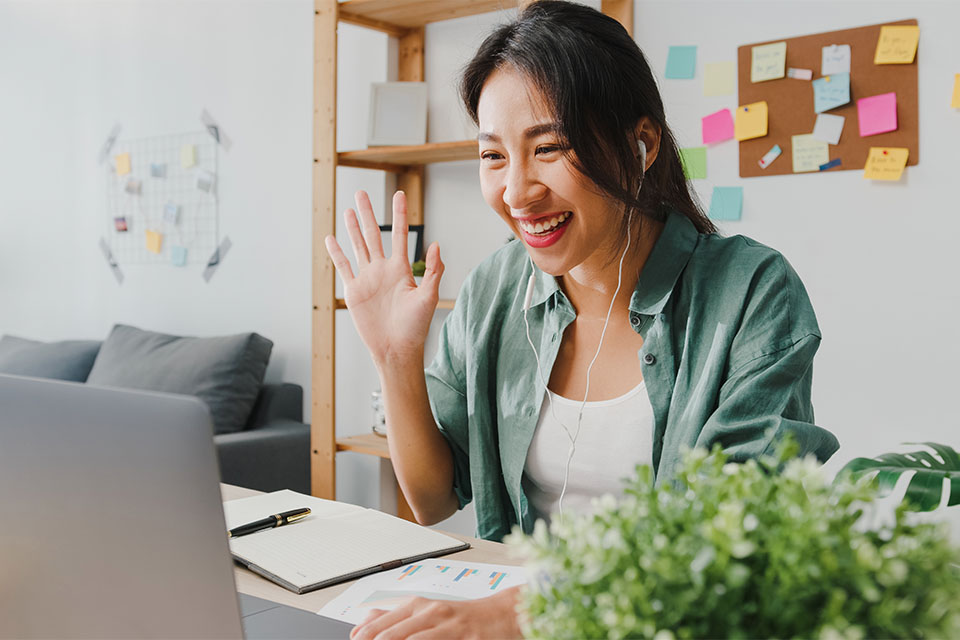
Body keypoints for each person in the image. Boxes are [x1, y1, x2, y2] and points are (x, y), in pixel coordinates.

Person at [325, 1, 840, 637]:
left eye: (551, 147)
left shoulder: (752, 292)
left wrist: (508, 618)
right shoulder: (495, 287)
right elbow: (433, 500)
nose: (516, 192)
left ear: (641, 143)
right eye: (493, 156)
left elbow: (734, 540)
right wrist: (396, 358)